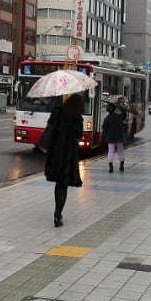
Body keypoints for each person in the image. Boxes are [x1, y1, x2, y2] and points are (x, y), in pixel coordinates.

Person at [44, 93, 85, 227]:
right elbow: (79, 135)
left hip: (56, 151)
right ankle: (58, 214)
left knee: (58, 183)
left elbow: (50, 126)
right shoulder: (77, 117)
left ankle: (57, 212)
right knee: (64, 185)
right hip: (68, 153)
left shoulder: (58, 111)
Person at [102, 102, 126, 173]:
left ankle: (111, 168)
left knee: (110, 152)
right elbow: (124, 114)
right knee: (120, 151)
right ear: (115, 109)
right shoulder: (119, 117)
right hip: (119, 137)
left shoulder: (107, 119)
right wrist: (121, 108)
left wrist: (106, 135)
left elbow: (104, 128)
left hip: (111, 137)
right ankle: (121, 166)